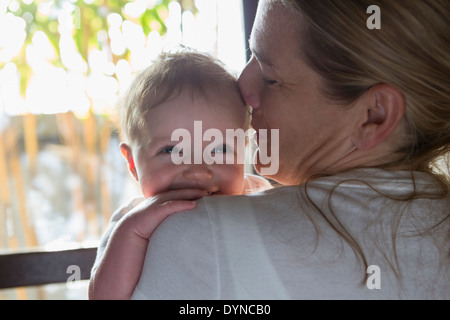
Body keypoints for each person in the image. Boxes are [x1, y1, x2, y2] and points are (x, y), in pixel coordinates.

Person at [91, 0, 450, 299]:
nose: (242, 86)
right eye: (172, 149)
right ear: (131, 162)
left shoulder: (197, 235)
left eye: (270, 75)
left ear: (375, 115)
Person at [88, 50, 272, 299]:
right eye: (171, 150)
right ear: (132, 163)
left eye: (219, 149)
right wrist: (133, 232)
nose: (197, 171)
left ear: (244, 151)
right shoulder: (131, 221)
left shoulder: (260, 198)